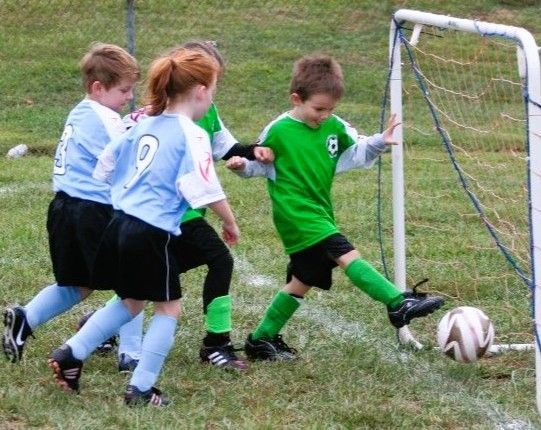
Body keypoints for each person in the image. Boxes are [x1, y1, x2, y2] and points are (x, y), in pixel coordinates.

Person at [49, 47, 238, 407]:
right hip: (151, 231)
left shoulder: (144, 122)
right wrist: (229, 221)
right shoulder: (192, 133)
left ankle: (72, 352)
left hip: (117, 224)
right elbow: (204, 187)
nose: (211, 98)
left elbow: (105, 163)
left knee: (132, 301)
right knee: (168, 308)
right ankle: (141, 388)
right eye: (213, 90)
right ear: (200, 91)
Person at [226, 54, 444, 361]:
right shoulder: (278, 130)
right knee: (344, 253)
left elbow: (356, 150)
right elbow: (259, 164)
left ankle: (261, 339)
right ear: (296, 99)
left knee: (302, 280)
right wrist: (241, 165)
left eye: (330, 109)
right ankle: (398, 302)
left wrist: (380, 140)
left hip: (320, 211)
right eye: (318, 109)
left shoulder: (334, 125)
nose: (325, 115)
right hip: (296, 214)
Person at [77, 41, 274, 373]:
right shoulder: (158, 115)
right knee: (220, 258)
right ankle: (216, 344)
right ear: (194, 83)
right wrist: (228, 219)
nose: (211, 90)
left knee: (149, 277)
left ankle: (100, 325)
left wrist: (255, 151)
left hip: (172, 212)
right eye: (210, 81)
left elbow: (227, 148)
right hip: (172, 211)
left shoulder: (208, 113)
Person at [1, 43, 139, 363]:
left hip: (63, 208)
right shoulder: (108, 119)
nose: (130, 97)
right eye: (124, 90)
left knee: (77, 284)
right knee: (134, 282)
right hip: (94, 211)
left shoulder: (80, 111)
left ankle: (25, 318)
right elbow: (128, 161)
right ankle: (131, 354)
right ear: (98, 87)